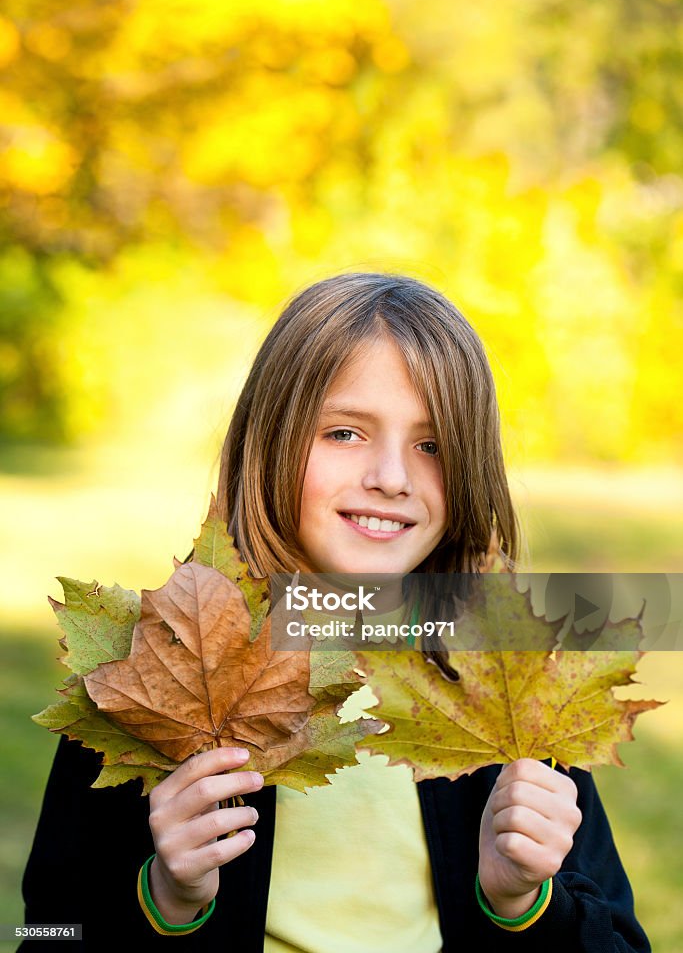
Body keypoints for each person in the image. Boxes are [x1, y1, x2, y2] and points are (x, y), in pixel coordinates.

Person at [21, 272, 650, 951]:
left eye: (431, 445)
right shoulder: (152, 675)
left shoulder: (509, 695)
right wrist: (167, 902)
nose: (391, 476)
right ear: (272, 443)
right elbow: (48, 929)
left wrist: (522, 904)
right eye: (345, 433)